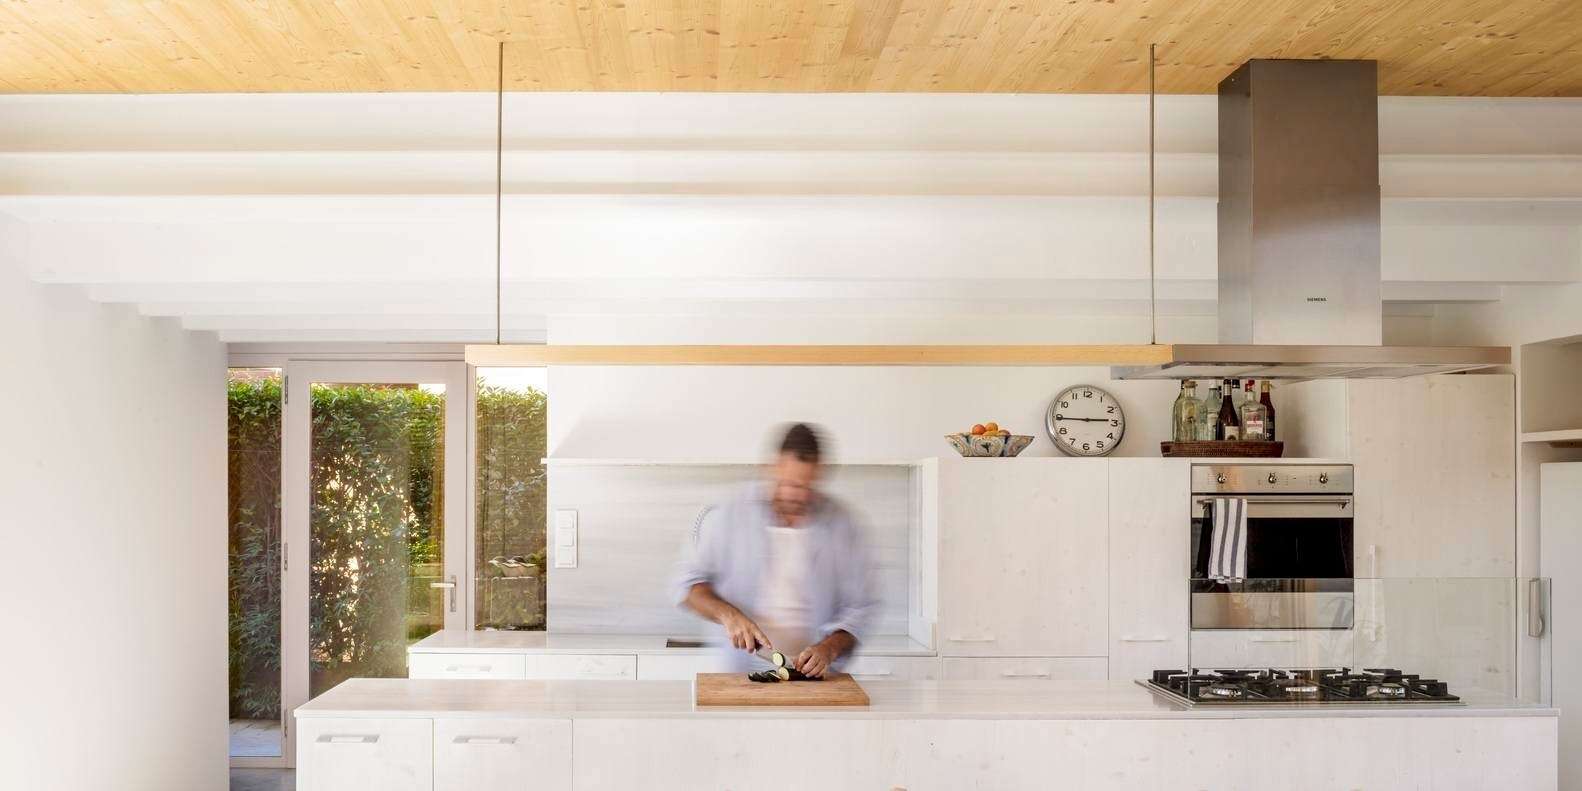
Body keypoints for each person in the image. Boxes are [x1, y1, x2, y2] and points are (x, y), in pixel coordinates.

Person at [673, 423, 876, 677]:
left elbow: (861, 606)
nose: (797, 495)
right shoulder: (730, 512)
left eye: (806, 487)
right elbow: (688, 587)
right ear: (772, 466)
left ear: (819, 475)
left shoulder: (842, 524)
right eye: (789, 484)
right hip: (739, 672)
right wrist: (729, 615)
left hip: (812, 677)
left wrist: (829, 648)